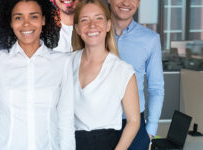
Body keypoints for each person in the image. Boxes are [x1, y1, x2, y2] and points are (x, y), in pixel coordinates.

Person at [0, 0, 75, 149]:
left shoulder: (62, 62)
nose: (26, 24)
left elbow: (66, 122)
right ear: (10, 22)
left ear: (43, 19)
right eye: (18, 17)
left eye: (33, 16)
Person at [71, 0, 140, 149]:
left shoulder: (123, 70)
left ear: (108, 25)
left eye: (98, 18)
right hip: (70, 142)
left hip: (105, 144)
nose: (92, 25)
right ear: (77, 28)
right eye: (84, 20)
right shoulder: (67, 63)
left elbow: (134, 121)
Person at [108, 0, 165, 149]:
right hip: (99, 124)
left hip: (135, 126)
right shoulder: (94, 34)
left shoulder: (151, 39)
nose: (126, 2)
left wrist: (150, 132)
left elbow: (156, 88)